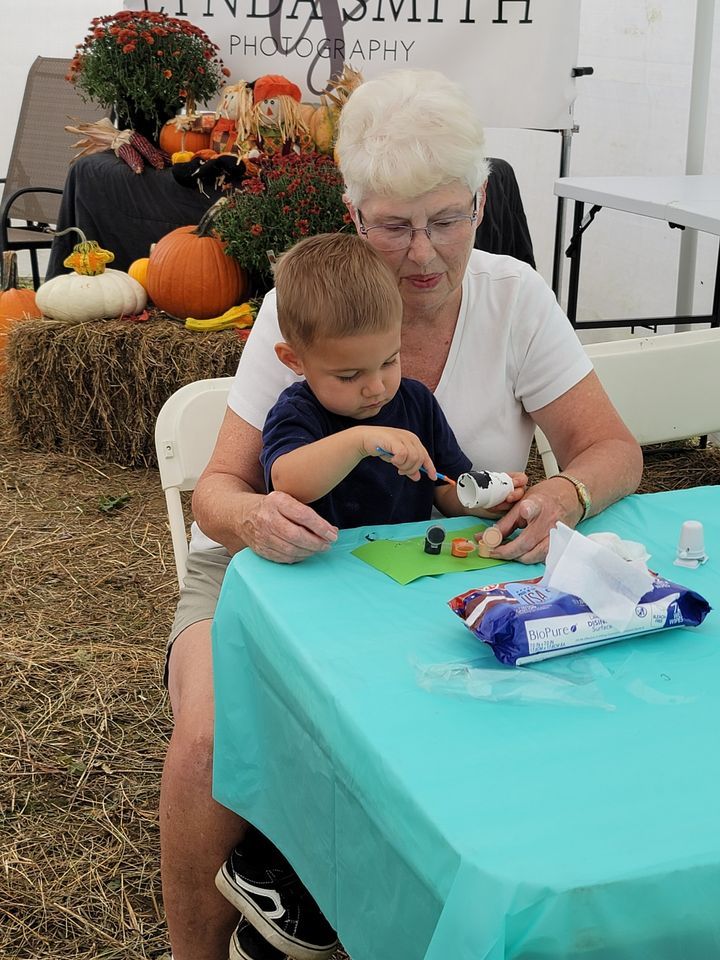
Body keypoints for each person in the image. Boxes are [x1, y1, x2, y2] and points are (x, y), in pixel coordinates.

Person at [160, 68, 643, 960]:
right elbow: (221, 494)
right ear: (354, 217)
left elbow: (613, 450)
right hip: (265, 576)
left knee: (508, 722)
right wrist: (259, 520)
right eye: (394, 226)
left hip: (425, 572)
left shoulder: (514, 297)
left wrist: (557, 495)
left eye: (447, 219)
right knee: (211, 742)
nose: (423, 253)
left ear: (482, 201)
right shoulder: (305, 310)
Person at [262, 232, 527, 527]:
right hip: (325, 565)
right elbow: (286, 480)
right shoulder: (298, 412)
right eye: (349, 376)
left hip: (402, 565)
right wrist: (360, 441)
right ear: (294, 359)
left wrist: (482, 501)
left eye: (389, 361)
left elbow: (442, 487)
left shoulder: (417, 403)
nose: (376, 388)